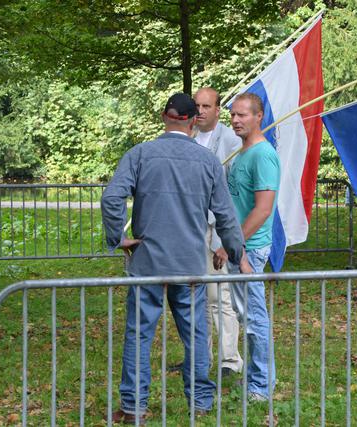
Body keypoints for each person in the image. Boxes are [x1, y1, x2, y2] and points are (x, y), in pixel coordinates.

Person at [101, 92, 251, 424]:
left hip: (148, 262)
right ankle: (199, 403)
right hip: (189, 264)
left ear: (163, 116)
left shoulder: (140, 153)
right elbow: (225, 214)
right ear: (192, 120)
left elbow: (113, 197)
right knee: (196, 335)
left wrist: (118, 238)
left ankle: (134, 407)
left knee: (139, 334)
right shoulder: (208, 161)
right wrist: (236, 253)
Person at [222, 92, 280, 402]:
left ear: (259, 117)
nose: (235, 120)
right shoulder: (242, 154)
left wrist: (238, 248)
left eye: (242, 115)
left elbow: (262, 209)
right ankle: (258, 379)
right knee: (247, 317)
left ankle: (262, 386)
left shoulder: (262, 155)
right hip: (238, 249)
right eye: (233, 115)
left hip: (251, 251)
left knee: (255, 319)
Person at [194, 87, 244, 377]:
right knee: (194, 294)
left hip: (216, 226)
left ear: (217, 109)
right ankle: (200, 356)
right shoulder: (187, 136)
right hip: (191, 226)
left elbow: (233, 190)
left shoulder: (229, 139)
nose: (200, 111)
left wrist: (227, 235)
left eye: (206, 106)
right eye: (197, 106)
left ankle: (229, 359)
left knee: (220, 296)